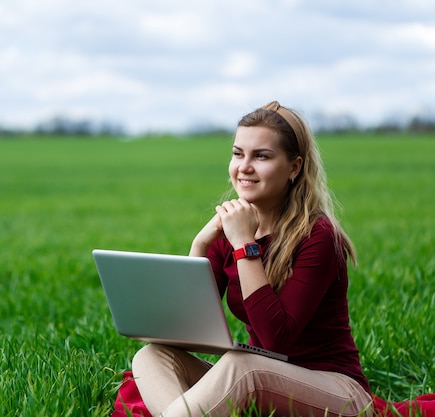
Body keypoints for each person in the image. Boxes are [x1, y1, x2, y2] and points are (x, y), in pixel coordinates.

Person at [130, 101, 373, 417]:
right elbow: (184, 331)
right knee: (152, 356)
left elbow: (275, 340)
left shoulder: (318, 236)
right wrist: (200, 245)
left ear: (294, 167)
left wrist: (245, 243)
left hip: (338, 394)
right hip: (262, 380)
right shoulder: (227, 232)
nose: (244, 166)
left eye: (261, 156)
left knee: (244, 366)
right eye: (237, 153)